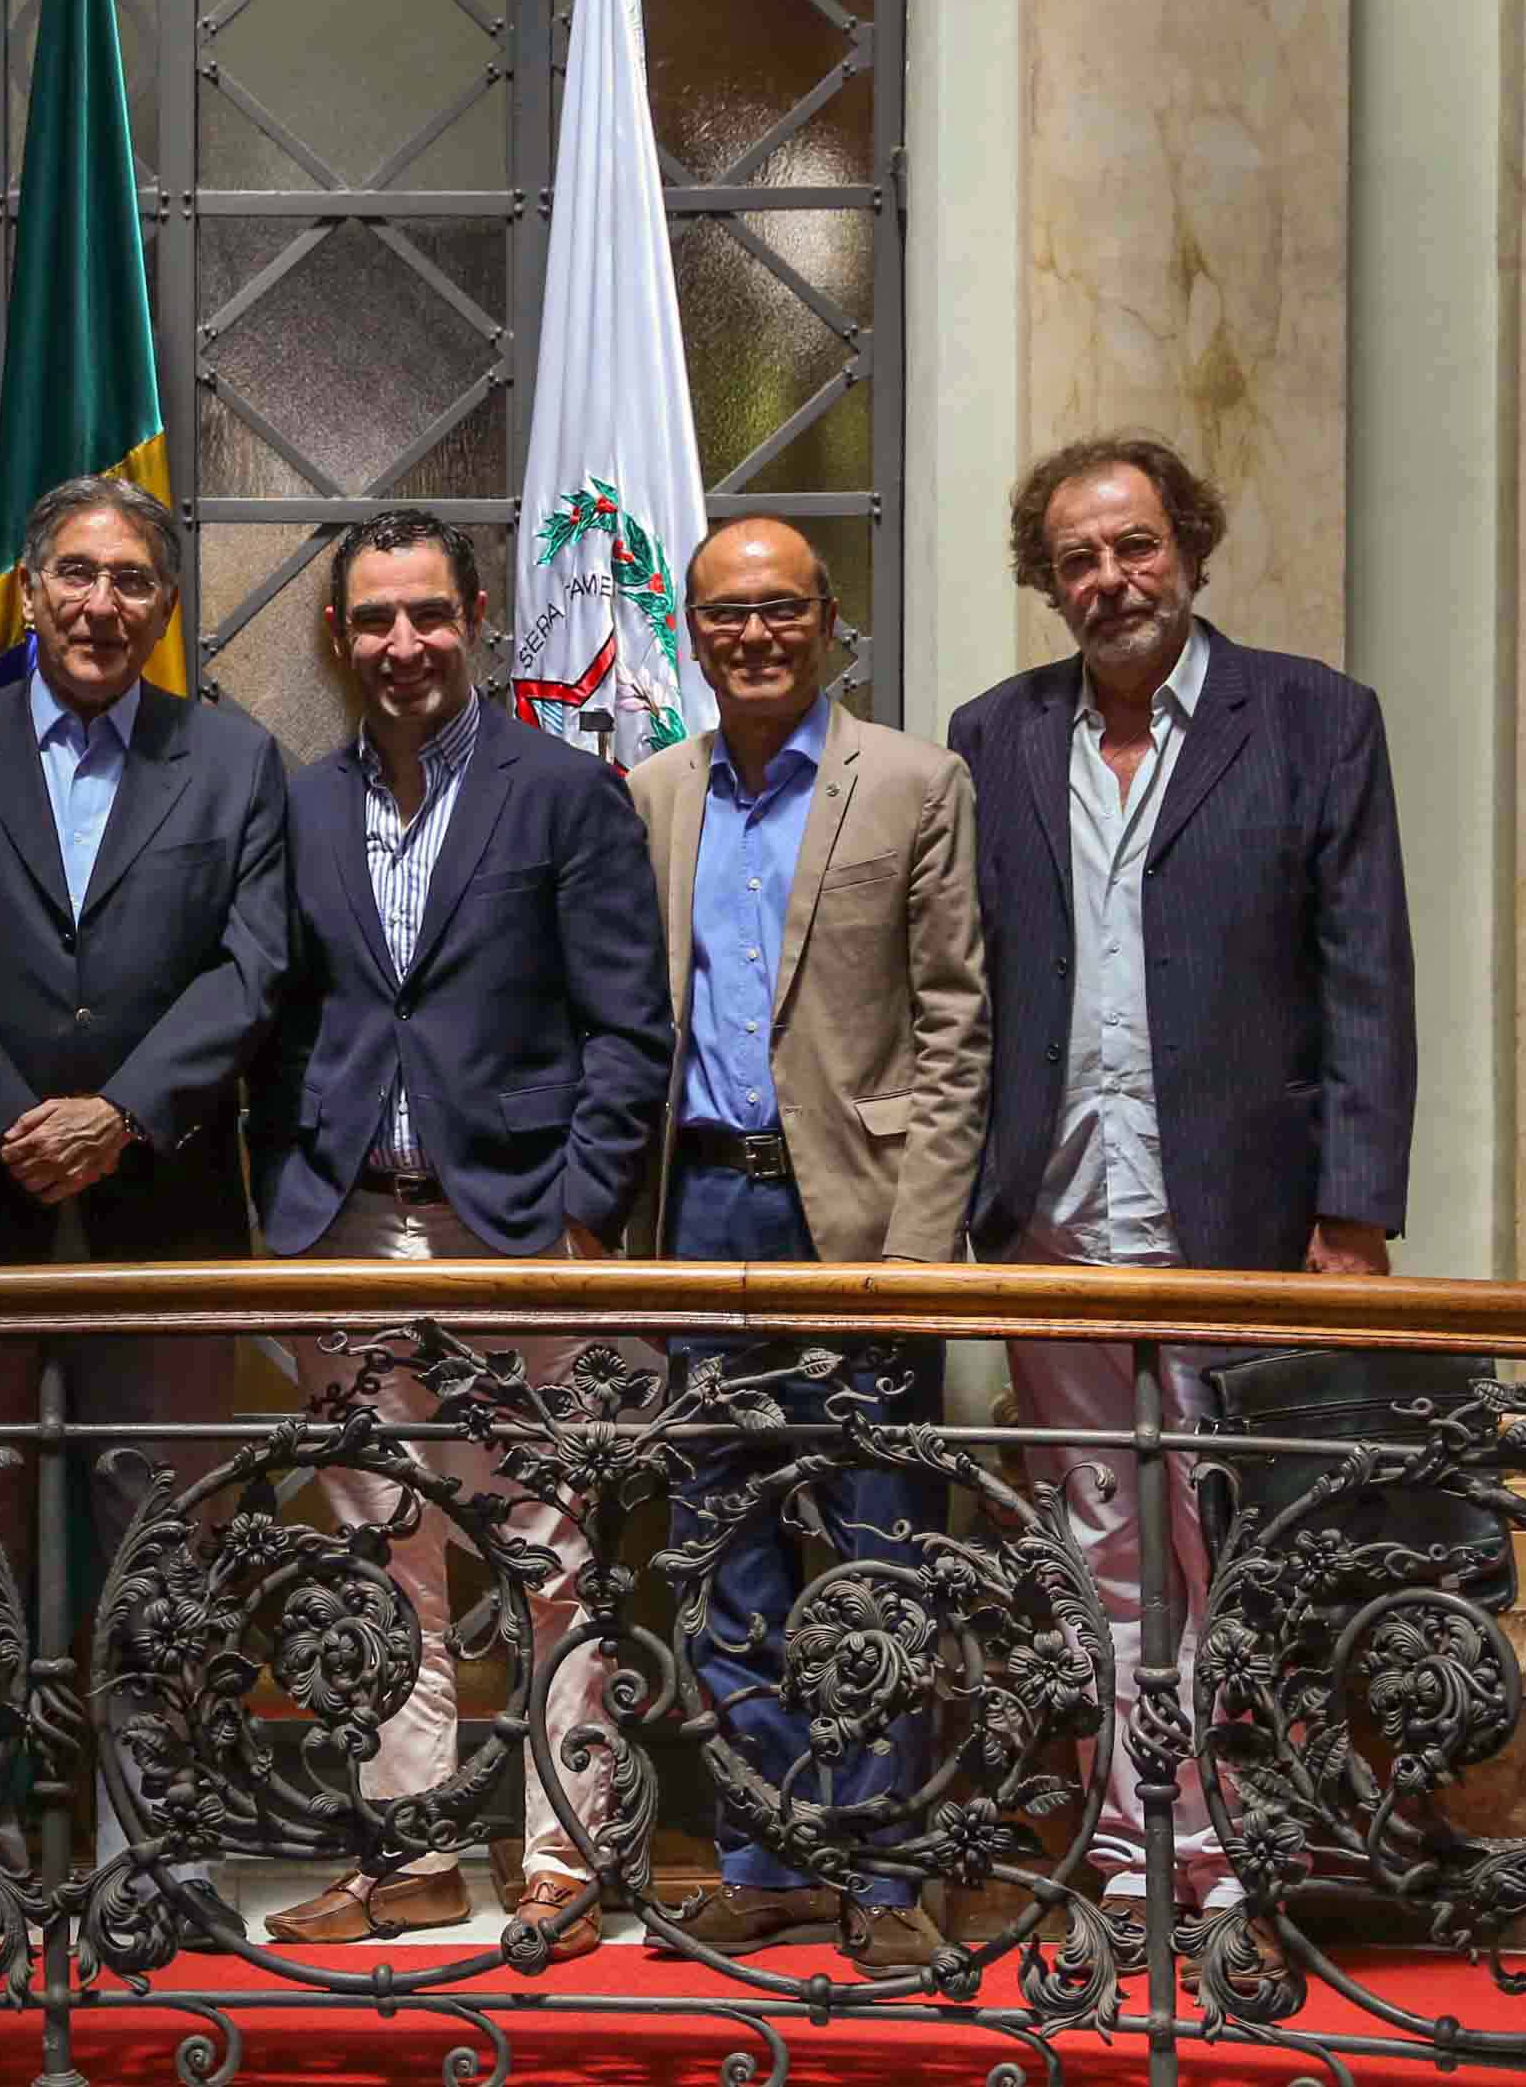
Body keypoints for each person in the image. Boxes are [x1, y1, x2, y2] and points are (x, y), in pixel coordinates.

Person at [947, 432, 1415, 1964]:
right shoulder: (993, 734)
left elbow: (1364, 974)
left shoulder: (1313, 718)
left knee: (1239, 1541)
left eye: (1133, 545)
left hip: (1244, 1211)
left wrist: (1353, 1214)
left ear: (1190, 548)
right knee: (1095, 1531)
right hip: (1052, 1210)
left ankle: (1237, 1844)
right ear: (1047, 580)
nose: (1109, 578)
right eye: (1076, 558)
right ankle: (1140, 1842)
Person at [0, 474, 289, 1929]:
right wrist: (4, 1122)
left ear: (165, 608)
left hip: (159, 1210)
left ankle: (158, 1850)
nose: (103, 605)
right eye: (78, 577)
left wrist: (120, 1115)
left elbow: (251, 967)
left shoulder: (231, 757)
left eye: (133, 582)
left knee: (166, 1540)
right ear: (29, 591)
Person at [246, 509, 667, 1961]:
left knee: (554, 1551)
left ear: (475, 617)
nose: (402, 642)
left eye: (427, 612)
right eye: (373, 619)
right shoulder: (299, 806)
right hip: (350, 1228)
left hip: (520, 1232)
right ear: (336, 637)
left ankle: (564, 1853)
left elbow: (628, 1026)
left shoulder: (562, 791)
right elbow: (279, 1020)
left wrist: (582, 1213)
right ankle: (410, 1855)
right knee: (384, 1555)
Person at [622, 517, 989, 1971]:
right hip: (699, 1214)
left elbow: (954, 1024)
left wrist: (919, 1250)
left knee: (878, 1544)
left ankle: (883, 1874)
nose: (754, 633)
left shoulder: (912, 780)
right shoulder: (655, 790)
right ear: (692, 633)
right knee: (722, 1549)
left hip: (860, 1220)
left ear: (828, 621)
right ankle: (765, 1858)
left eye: (780, 608)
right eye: (725, 612)